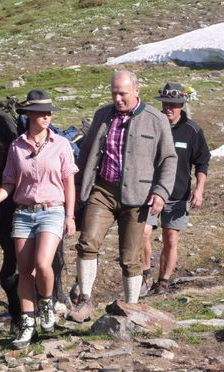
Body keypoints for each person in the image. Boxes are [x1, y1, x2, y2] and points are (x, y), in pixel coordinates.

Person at [67, 70, 178, 323]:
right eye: (114, 93)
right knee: (88, 242)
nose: (118, 98)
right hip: (102, 191)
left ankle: (132, 308)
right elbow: (85, 154)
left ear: (137, 90)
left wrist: (161, 192)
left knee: (130, 257)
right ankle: (84, 299)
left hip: (138, 197)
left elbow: (169, 158)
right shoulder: (102, 115)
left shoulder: (155, 119)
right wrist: (76, 187)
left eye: (123, 94)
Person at [0, 89, 78, 348]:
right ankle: (27, 323)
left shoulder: (61, 144)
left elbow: (69, 182)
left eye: (49, 112)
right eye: (41, 112)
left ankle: (45, 305)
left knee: (44, 264)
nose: (47, 116)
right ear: (30, 114)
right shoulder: (16, 147)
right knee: (24, 271)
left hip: (52, 209)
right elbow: (9, 183)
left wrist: (70, 215)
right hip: (23, 213)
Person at [142, 82, 211, 296]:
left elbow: (202, 163)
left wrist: (199, 190)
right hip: (149, 193)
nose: (168, 109)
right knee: (142, 233)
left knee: (170, 237)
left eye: (173, 105)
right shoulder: (151, 126)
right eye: (165, 105)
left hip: (178, 194)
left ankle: (163, 281)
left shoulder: (192, 131)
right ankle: (144, 274)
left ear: (181, 105)